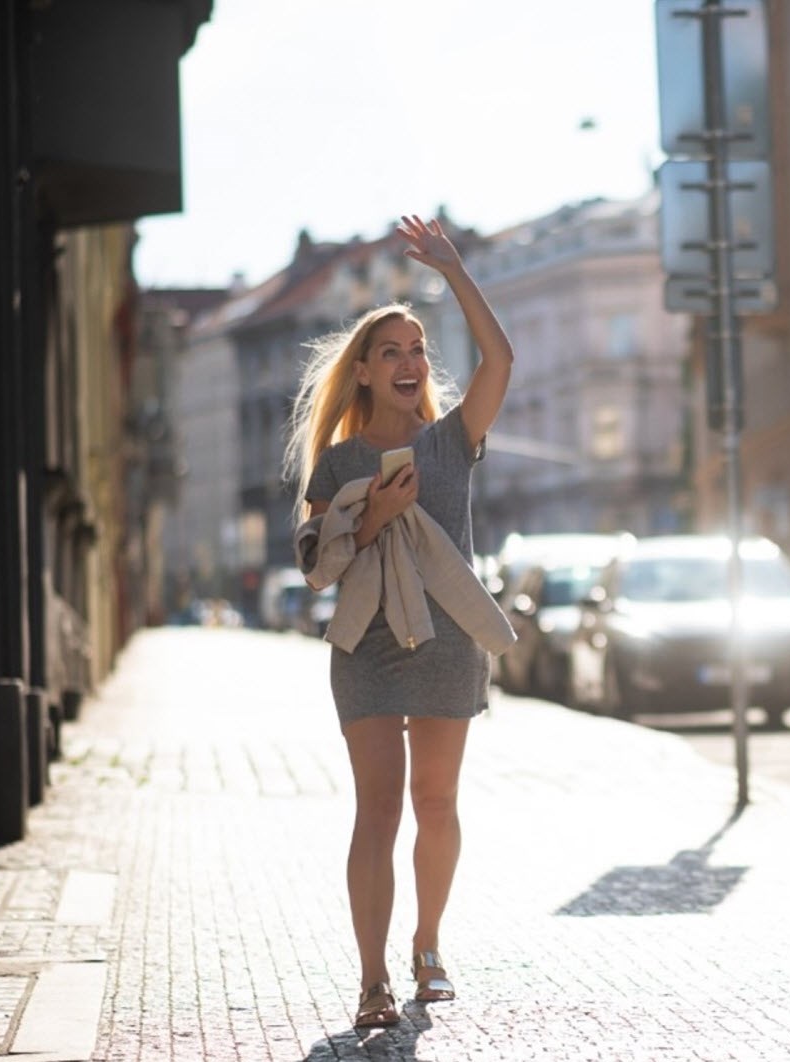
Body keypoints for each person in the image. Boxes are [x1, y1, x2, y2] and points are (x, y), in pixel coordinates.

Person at [285, 214, 514, 1030]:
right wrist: (373, 518)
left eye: (418, 349)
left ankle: (428, 945)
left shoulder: (456, 441)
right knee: (377, 810)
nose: (411, 362)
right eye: (393, 352)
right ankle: (372, 978)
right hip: (368, 648)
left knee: (438, 804)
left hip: (449, 638)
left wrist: (454, 269)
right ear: (366, 375)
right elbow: (319, 565)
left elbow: (501, 360)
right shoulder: (339, 464)